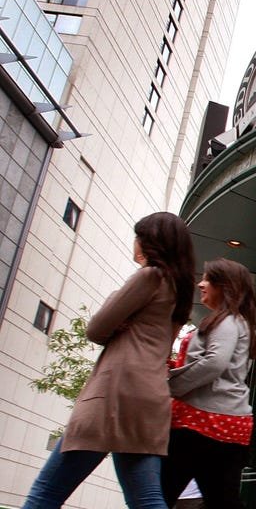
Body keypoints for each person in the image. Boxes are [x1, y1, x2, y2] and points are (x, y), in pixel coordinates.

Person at [23, 212, 195, 509]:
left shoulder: (150, 276)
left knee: (45, 494)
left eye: (139, 236)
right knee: (146, 500)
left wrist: (120, 315)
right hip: (149, 398)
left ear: (150, 242)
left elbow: (96, 329)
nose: (135, 242)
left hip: (114, 392)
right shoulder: (181, 291)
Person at [160, 258, 256, 508]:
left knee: (156, 495)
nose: (200, 284)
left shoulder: (228, 321)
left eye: (207, 279)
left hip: (201, 423)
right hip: (222, 425)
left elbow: (215, 362)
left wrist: (171, 386)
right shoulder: (236, 323)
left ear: (225, 286)